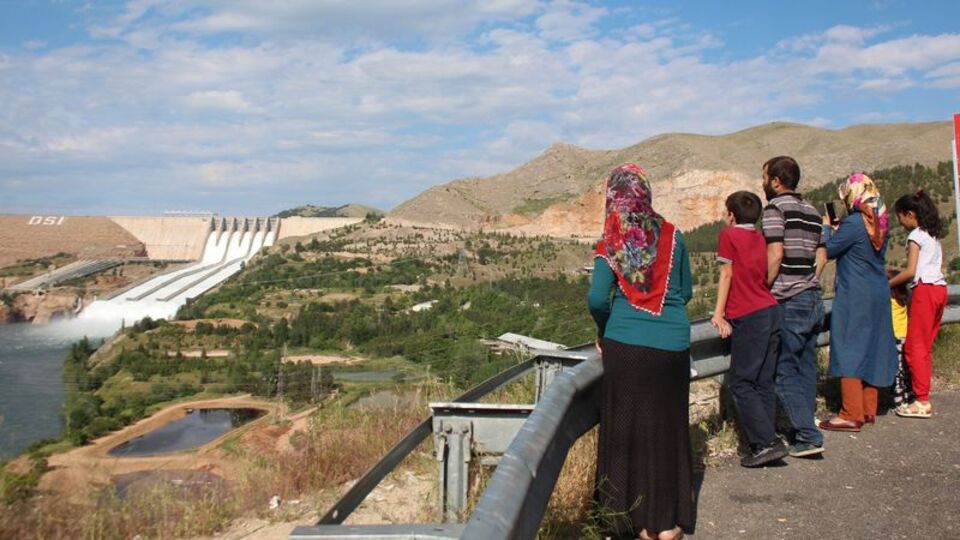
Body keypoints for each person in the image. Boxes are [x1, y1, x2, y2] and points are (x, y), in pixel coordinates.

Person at [588, 163, 692, 540]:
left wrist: (603, 330)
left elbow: (598, 297)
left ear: (613, 196)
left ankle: (624, 520)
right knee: (667, 428)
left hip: (626, 345)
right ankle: (665, 522)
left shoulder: (609, 240)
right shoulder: (674, 235)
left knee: (625, 432)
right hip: (673, 345)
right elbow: (687, 291)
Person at [709, 191, 786, 467]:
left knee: (741, 382)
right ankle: (766, 441)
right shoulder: (758, 236)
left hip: (749, 315)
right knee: (763, 381)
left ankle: (765, 443)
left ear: (731, 215)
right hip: (770, 310)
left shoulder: (729, 236)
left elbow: (727, 273)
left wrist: (719, 313)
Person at [818, 173, 898, 432]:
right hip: (878, 291)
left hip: (856, 293)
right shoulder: (879, 222)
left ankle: (850, 412)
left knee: (849, 345)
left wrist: (826, 226)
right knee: (871, 345)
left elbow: (828, 250)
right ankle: (868, 408)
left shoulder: (854, 223)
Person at [761, 156, 827, 457]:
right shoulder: (812, 210)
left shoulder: (775, 209)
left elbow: (775, 253)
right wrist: (809, 280)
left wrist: (763, 287)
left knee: (783, 370)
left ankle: (807, 434)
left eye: (764, 178)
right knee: (805, 366)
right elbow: (822, 256)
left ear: (775, 181)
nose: (763, 183)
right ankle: (805, 424)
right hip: (813, 297)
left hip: (788, 299)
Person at [889, 190, 947, 418]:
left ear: (910, 214)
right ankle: (922, 394)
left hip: (924, 290)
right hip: (939, 289)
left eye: (900, 217)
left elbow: (911, 271)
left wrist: (889, 284)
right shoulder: (932, 235)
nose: (900, 222)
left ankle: (922, 400)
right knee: (925, 346)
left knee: (915, 347)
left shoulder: (915, 236)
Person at [888, 268, 913, 407]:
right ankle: (909, 395)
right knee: (905, 369)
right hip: (905, 335)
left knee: (896, 371)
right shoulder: (904, 299)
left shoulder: (889, 300)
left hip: (894, 337)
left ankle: (898, 399)